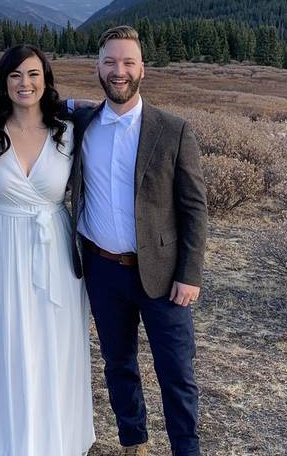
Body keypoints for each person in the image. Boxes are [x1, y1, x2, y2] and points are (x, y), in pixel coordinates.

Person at [70, 26, 208, 456]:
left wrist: (189, 274)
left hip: (164, 275)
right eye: (110, 62)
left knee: (176, 373)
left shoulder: (173, 130)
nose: (119, 71)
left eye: (128, 62)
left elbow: (194, 208)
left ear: (142, 68)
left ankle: (186, 449)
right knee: (118, 364)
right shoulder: (82, 124)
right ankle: (135, 441)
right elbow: (31, 100)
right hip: (101, 269)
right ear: (97, 67)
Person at [0, 44, 95, 455]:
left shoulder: (68, 130)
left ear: (46, 81)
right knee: (6, 341)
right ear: (3, 82)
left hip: (54, 250)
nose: (24, 84)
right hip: (2, 246)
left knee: (54, 344)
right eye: (14, 76)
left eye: (33, 75)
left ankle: (55, 441)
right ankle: (9, 442)